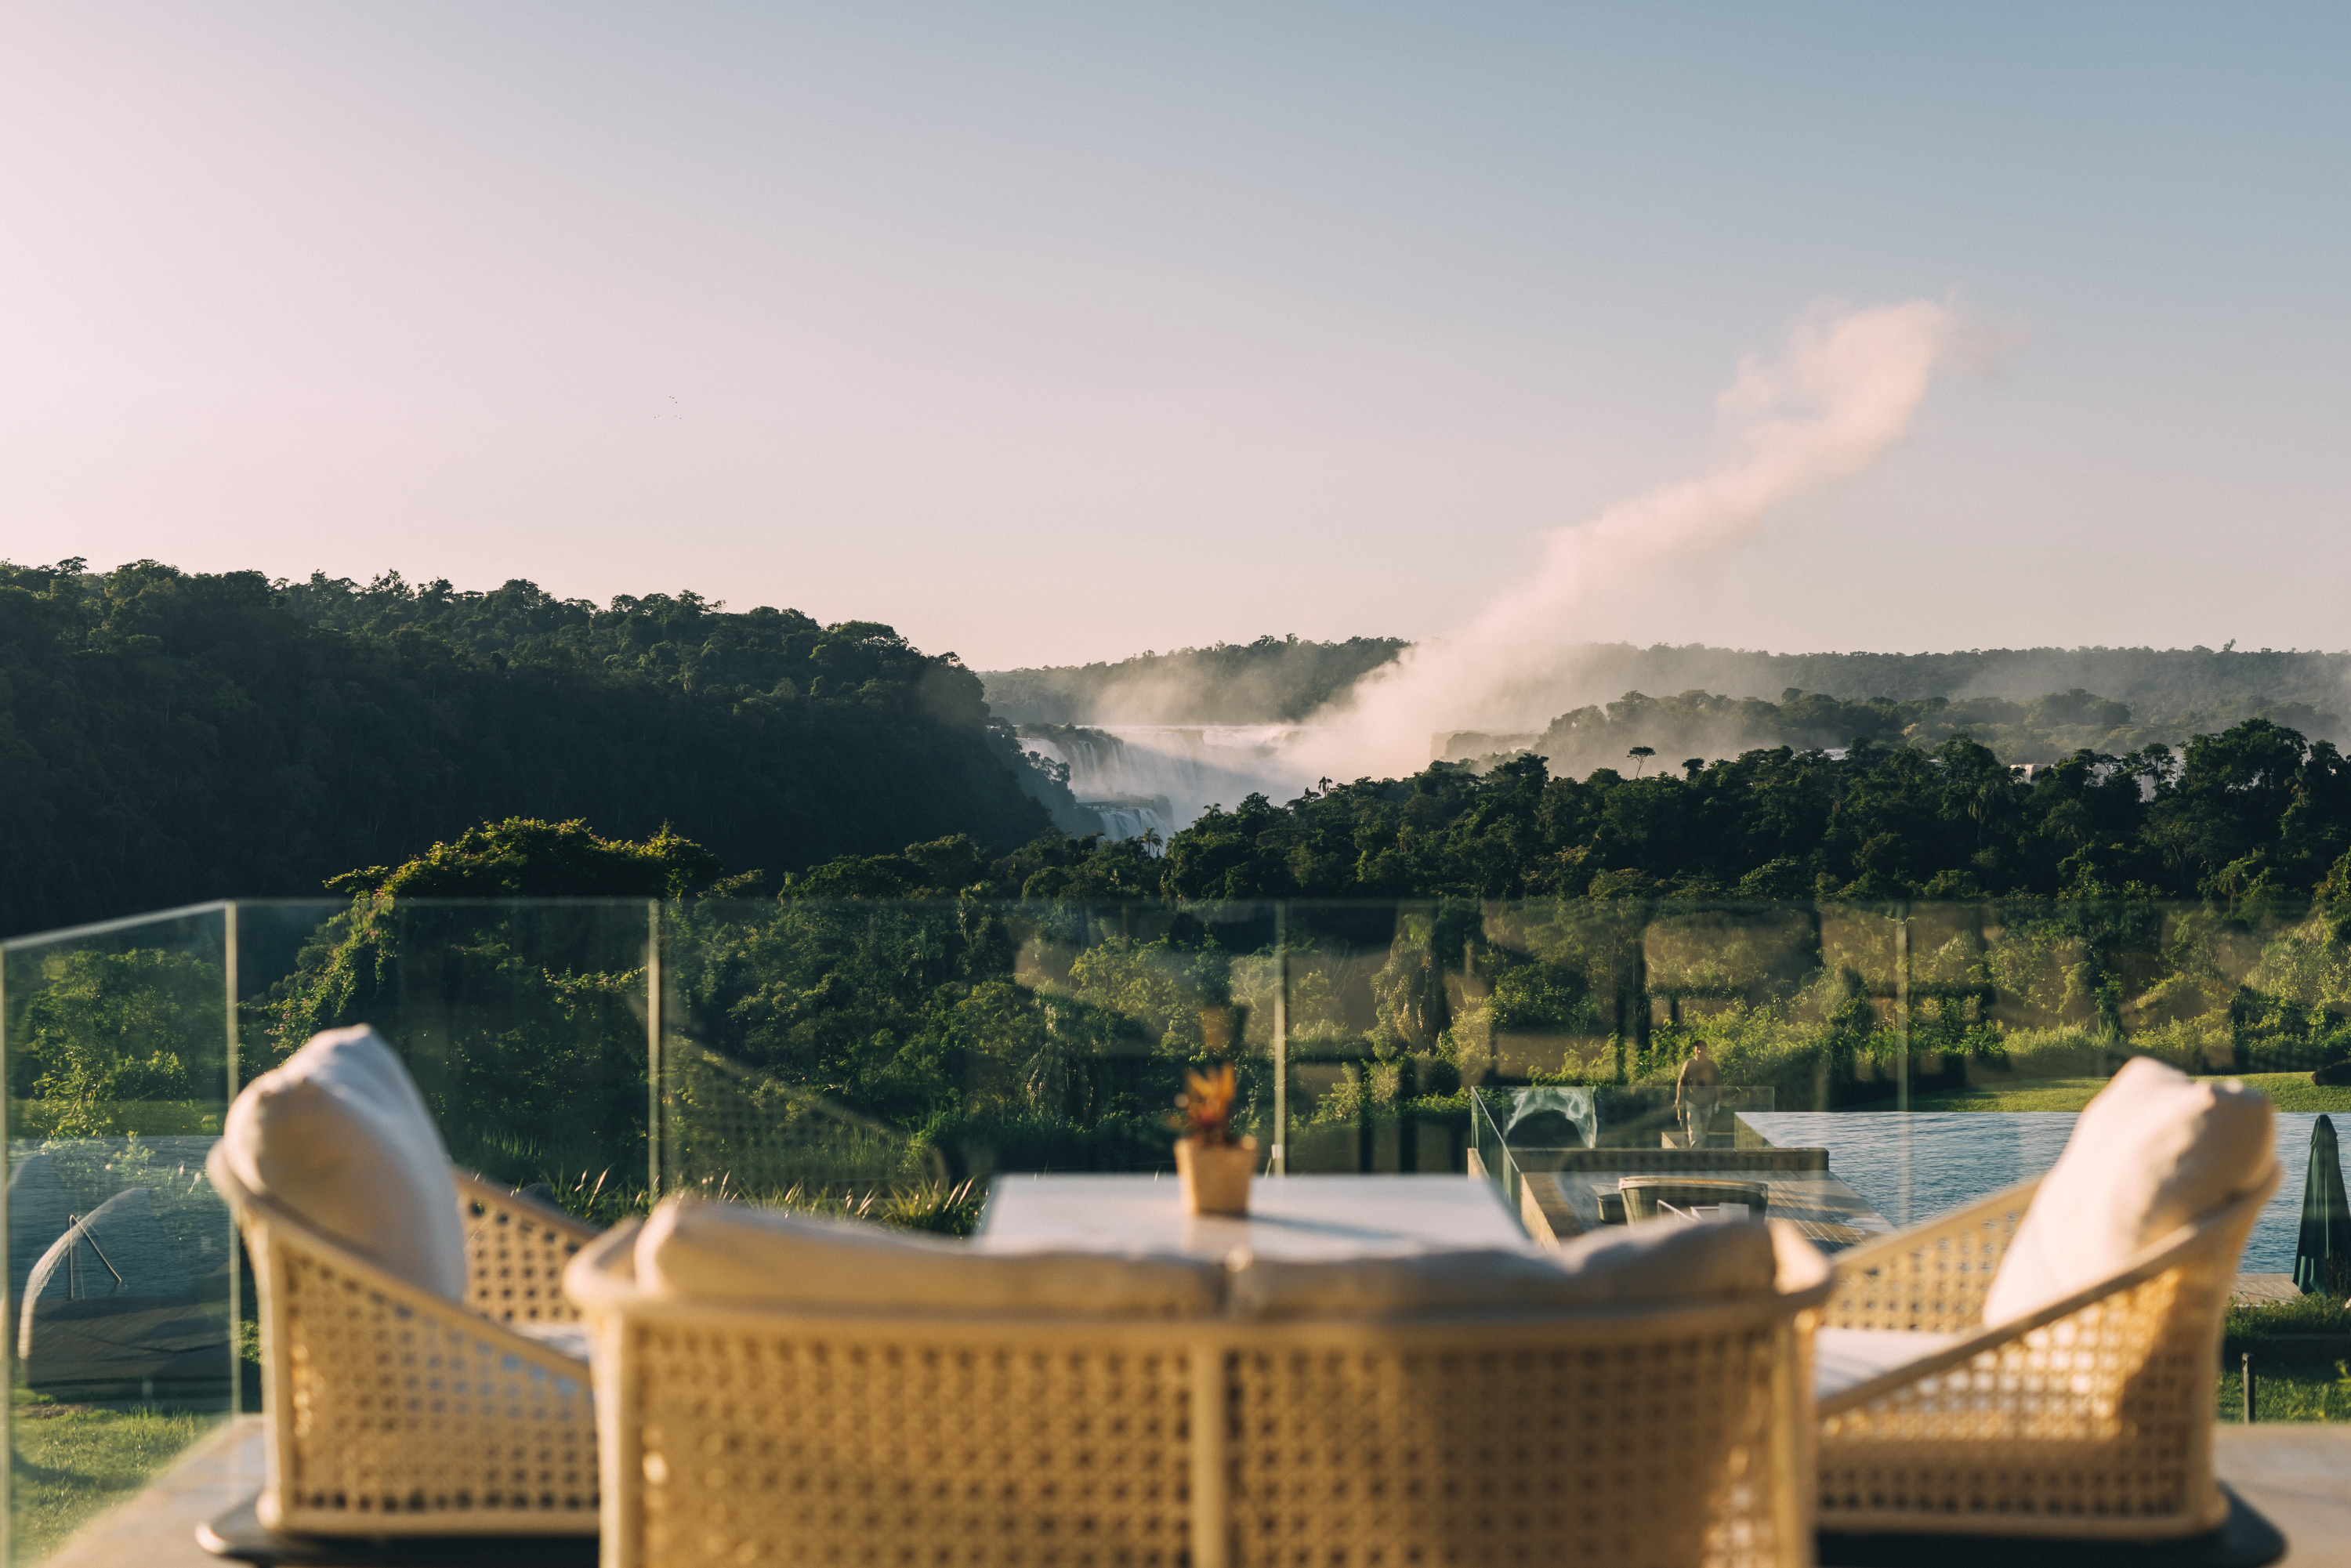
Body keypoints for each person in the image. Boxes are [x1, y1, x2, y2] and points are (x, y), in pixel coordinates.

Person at [1675, 1041, 1722, 1146]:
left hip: (1707, 1102)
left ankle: (1701, 1149)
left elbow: (1718, 1082)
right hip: (1692, 1101)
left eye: (1702, 1049)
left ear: (1706, 1050)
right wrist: (1678, 1098)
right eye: (1698, 1049)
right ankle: (1696, 1152)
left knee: (1704, 1128)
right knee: (1694, 1127)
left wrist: (1719, 1097)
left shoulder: (1711, 1065)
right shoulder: (1689, 1064)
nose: (1700, 1052)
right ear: (1694, 1050)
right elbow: (1681, 1082)